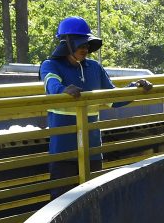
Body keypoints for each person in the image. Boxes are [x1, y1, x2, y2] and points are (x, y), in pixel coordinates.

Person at [39, 16, 153, 198]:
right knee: (61, 205)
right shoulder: (50, 65)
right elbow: (51, 84)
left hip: (92, 151)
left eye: (87, 45)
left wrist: (135, 88)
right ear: (66, 43)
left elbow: (113, 98)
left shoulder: (94, 67)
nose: (85, 49)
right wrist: (63, 90)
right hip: (63, 152)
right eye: (81, 44)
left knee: (93, 201)